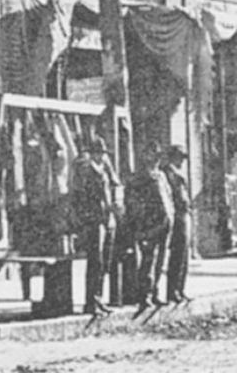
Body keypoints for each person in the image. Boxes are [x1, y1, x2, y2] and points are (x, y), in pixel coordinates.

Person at [70, 134, 121, 315]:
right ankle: (91, 301)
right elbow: (79, 197)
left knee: (105, 261)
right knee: (96, 260)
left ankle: (99, 298)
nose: (100, 156)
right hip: (94, 220)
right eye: (97, 153)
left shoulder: (104, 170)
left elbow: (113, 188)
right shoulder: (86, 171)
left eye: (102, 153)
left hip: (107, 219)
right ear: (92, 154)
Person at [122, 146, 174, 311]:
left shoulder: (161, 175)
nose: (157, 159)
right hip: (149, 224)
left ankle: (155, 292)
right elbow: (133, 202)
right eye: (153, 156)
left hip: (164, 222)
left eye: (159, 156)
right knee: (148, 260)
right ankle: (145, 295)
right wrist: (139, 223)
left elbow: (168, 196)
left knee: (160, 261)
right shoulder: (139, 178)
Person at [161, 145, 192, 303]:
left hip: (184, 214)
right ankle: (172, 291)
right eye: (180, 157)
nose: (182, 161)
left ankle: (180, 289)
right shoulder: (167, 173)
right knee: (177, 254)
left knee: (184, 256)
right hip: (177, 216)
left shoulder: (177, 173)